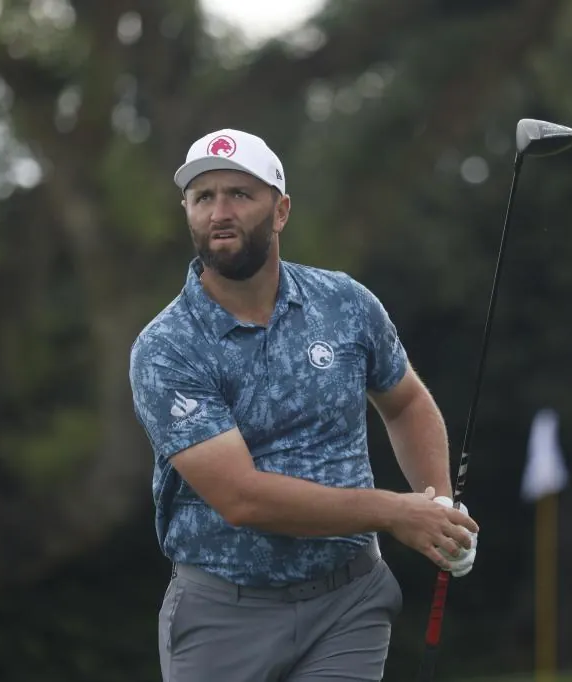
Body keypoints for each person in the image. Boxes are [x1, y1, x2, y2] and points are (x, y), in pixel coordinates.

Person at [128, 128, 480, 682]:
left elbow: (406, 400)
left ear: (281, 210)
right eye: (203, 197)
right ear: (188, 212)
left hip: (349, 604)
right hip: (225, 613)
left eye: (240, 195)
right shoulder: (167, 347)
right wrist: (395, 512)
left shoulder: (344, 302)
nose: (220, 212)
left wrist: (436, 510)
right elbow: (242, 498)